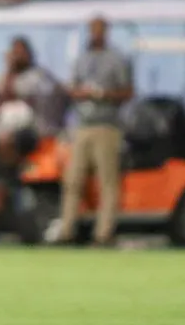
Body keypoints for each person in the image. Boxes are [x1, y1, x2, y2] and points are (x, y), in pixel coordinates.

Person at [0, 37, 67, 242]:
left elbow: (47, 103)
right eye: (13, 52)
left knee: (7, 143)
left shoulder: (39, 77)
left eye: (20, 52)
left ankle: (7, 181)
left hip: (33, 133)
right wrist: (8, 75)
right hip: (4, 135)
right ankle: (1, 187)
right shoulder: (2, 77)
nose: (16, 56)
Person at [56, 17, 133, 246]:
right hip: (83, 125)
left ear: (106, 32)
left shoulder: (116, 59)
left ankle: (104, 233)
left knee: (107, 180)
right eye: (93, 30)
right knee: (73, 180)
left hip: (106, 125)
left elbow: (127, 92)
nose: (96, 34)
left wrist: (103, 95)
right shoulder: (82, 58)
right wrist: (79, 93)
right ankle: (67, 230)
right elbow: (73, 88)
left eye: (99, 30)